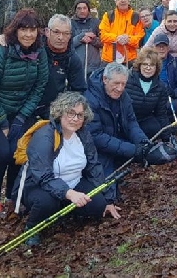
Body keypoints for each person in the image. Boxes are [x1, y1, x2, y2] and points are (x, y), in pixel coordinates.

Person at [0, 8, 49, 217]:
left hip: (16, 111)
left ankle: (12, 195)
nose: (28, 34)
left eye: (33, 30)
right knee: (2, 153)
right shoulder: (0, 52)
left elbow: (39, 87)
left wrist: (22, 116)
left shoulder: (40, 53)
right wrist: (2, 123)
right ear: (15, 30)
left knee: (18, 152)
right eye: (24, 29)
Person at [21, 92, 120, 246]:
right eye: (71, 113)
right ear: (60, 113)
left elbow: (94, 166)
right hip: (40, 186)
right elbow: (42, 175)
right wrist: (69, 193)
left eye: (80, 115)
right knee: (47, 203)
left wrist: (108, 199)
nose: (75, 119)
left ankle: (64, 208)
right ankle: (32, 227)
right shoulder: (44, 136)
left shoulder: (83, 134)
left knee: (98, 206)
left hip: (73, 182)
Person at [84, 63, 152, 198]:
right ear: (105, 80)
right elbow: (96, 137)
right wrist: (133, 150)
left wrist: (142, 141)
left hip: (114, 139)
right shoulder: (89, 99)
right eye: (116, 83)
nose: (120, 88)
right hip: (94, 148)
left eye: (123, 84)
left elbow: (131, 121)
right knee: (107, 195)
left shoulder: (123, 96)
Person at [125, 48, 172, 140]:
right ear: (139, 65)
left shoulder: (160, 86)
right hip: (126, 119)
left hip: (144, 119)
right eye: (145, 64)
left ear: (156, 67)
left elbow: (161, 113)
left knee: (155, 128)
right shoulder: (127, 79)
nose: (148, 68)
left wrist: (168, 138)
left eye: (152, 65)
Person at [99, 0, 144, 66]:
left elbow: (140, 39)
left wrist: (128, 39)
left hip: (129, 59)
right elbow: (102, 35)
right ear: (116, 2)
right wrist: (117, 38)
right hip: (109, 59)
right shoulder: (108, 15)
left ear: (129, 1)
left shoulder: (136, 16)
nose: (123, 0)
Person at [152, 33, 177, 117]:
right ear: (154, 48)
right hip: (153, 97)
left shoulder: (175, 62)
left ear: (168, 48)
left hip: (170, 97)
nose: (161, 49)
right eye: (158, 46)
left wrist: (174, 93)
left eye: (164, 46)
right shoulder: (149, 63)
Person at [71, 0, 102, 77]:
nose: (82, 11)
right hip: (76, 65)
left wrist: (92, 39)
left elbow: (103, 42)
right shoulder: (70, 23)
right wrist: (81, 37)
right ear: (75, 10)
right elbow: (68, 43)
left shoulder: (96, 22)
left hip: (94, 66)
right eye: (79, 8)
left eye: (84, 8)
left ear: (88, 10)